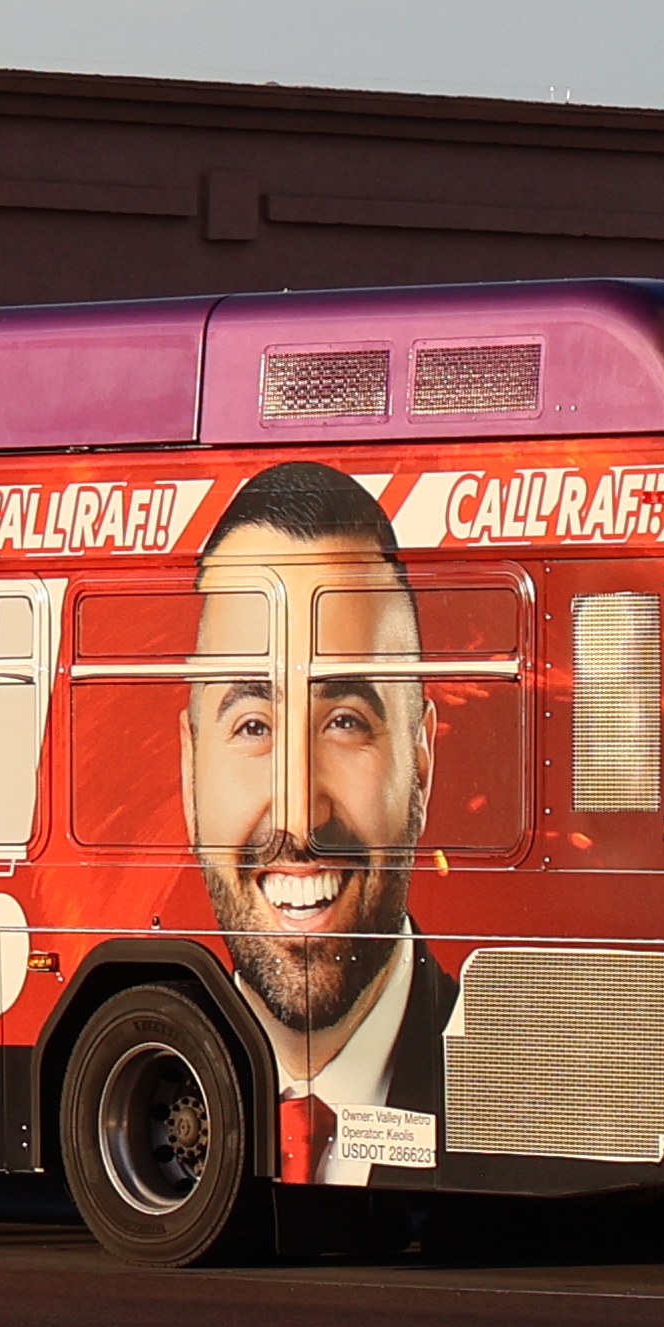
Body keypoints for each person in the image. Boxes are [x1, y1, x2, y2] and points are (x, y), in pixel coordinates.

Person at [176, 461, 454, 1178]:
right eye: (251, 725)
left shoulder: (521, 1065)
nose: (299, 817)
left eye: (343, 721)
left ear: (419, 759)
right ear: (188, 770)